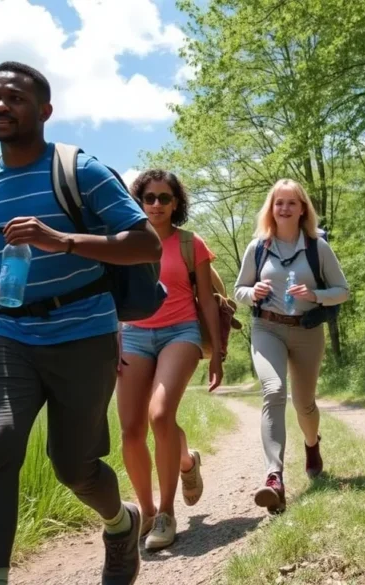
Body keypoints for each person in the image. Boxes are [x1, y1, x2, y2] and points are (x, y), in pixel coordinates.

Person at [0, 61, 159, 585]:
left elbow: (147, 244)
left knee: (74, 467)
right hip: (10, 334)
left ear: (44, 111)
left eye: (14, 98)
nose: (0, 106)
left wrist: (62, 241)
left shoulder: (81, 172)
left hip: (86, 334)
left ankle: (120, 524)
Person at [116, 169, 224, 550]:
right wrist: (112, 338)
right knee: (130, 430)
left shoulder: (191, 244)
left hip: (180, 333)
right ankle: (147, 511)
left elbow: (207, 300)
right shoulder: (124, 243)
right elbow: (113, 297)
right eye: (149, 197)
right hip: (132, 334)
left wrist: (218, 354)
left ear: (176, 203)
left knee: (160, 415)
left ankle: (166, 513)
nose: (157, 204)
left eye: (165, 197)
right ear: (139, 202)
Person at [232, 179, 349, 514]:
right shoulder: (258, 247)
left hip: (307, 331)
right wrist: (252, 293)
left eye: (291, 203)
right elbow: (239, 290)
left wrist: (314, 295)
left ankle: (312, 444)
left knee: (304, 403)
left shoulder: (317, 247)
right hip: (266, 328)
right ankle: (274, 478)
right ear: (271, 208)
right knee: (273, 390)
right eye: (278, 203)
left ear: (302, 209)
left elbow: (342, 291)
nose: (284, 208)